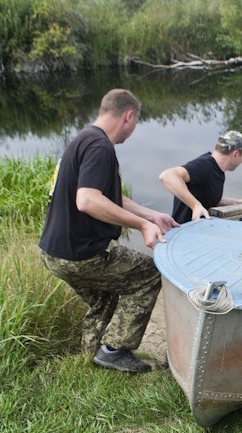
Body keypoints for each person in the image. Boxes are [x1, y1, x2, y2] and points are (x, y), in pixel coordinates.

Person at [38, 89, 178, 373]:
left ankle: (91, 355)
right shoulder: (100, 147)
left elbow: (106, 195)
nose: (133, 131)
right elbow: (87, 200)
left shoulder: (84, 139)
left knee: (106, 295)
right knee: (149, 274)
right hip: (80, 253)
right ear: (128, 116)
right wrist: (141, 225)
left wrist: (152, 215)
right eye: (136, 123)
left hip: (53, 251)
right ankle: (115, 350)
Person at [159, 130, 242, 223]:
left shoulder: (218, 170)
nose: (241, 161)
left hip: (199, 231)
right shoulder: (205, 165)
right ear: (235, 154)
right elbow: (167, 175)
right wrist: (195, 205)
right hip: (182, 231)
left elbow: (206, 197)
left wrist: (237, 203)